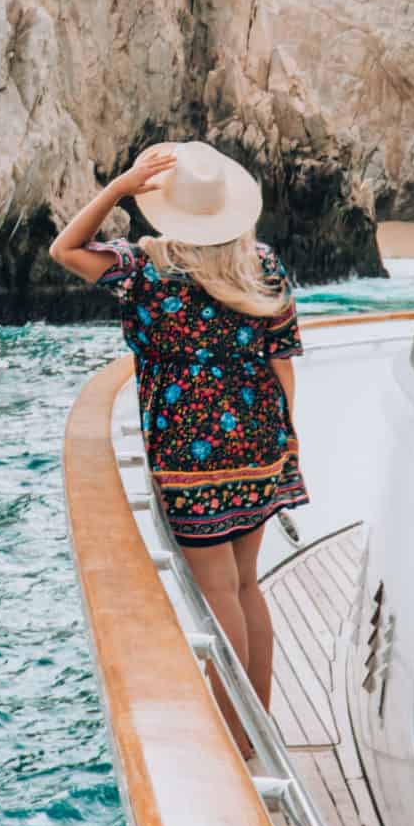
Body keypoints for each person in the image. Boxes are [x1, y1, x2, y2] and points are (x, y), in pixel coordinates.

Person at [49, 141, 305, 742]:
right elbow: (283, 361)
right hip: (260, 439)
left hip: (192, 449)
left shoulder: (145, 269)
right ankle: (257, 727)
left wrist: (116, 189)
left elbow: (64, 249)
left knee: (218, 593)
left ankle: (234, 740)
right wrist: (282, 443)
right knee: (247, 585)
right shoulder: (261, 262)